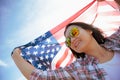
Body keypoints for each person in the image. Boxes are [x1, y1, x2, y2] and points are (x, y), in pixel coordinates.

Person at [12, 22, 120, 80]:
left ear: (89, 30)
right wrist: (16, 55)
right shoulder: (78, 69)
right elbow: (40, 77)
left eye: (73, 33)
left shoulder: (116, 39)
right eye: (68, 41)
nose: (72, 40)